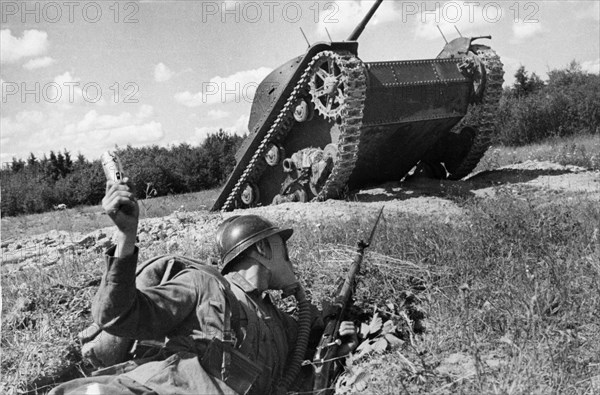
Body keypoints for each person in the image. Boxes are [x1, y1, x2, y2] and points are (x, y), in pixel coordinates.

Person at [50, 178, 357, 395]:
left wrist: (338, 339)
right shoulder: (203, 286)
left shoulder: (282, 324)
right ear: (263, 250)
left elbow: (311, 350)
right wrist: (126, 237)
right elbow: (116, 316)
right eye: (284, 250)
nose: (291, 262)